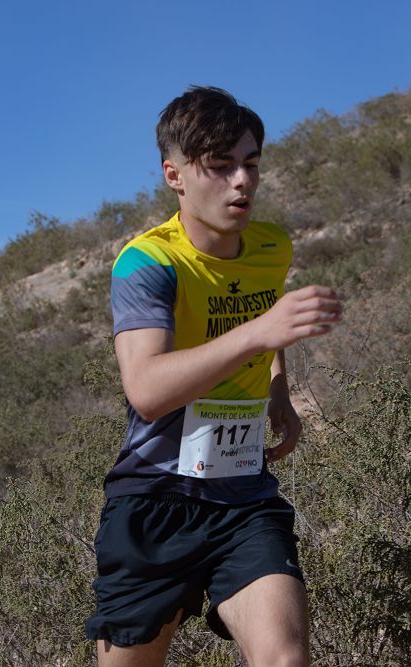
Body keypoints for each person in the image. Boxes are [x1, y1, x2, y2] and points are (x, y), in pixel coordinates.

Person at [86, 86, 343, 666]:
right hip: (155, 499)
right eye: (220, 166)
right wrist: (260, 333)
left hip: (243, 494)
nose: (242, 181)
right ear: (174, 175)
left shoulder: (271, 246)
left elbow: (264, 322)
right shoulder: (148, 263)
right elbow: (147, 390)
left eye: (250, 164)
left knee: (285, 659)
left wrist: (279, 388)